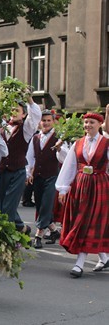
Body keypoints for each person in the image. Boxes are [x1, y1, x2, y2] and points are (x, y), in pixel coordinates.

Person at [56, 112, 109, 278]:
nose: (88, 126)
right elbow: (70, 165)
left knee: (89, 222)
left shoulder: (107, 143)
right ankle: (104, 257)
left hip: (99, 186)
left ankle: (79, 263)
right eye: (86, 123)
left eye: (91, 122)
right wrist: (63, 188)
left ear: (99, 124)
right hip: (80, 186)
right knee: (83, 221)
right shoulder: (78, 143)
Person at [0, 98, 41, 234]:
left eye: (17, 110)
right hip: (3, 170)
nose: (14, 112)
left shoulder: (26, 128)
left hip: (18, 172)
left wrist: (29, 100)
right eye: (12, 110)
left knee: (8, 207)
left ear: (23, 114)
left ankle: (7, 242)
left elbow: (35, 117)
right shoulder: (3, 127)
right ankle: (22, 228)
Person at [27, 109, 69, 249]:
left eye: (48, 120)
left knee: (46, 204)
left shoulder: (59, 137)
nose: (45, 123)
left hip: (53, 176)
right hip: (38, 176)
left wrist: (59, 148)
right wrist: (29, 172)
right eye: (43, 120)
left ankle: (38, 236)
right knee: (40, 204)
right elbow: (30, 157)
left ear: (53, 122)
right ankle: (54, 230)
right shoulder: (35, 138)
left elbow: (65, 158)